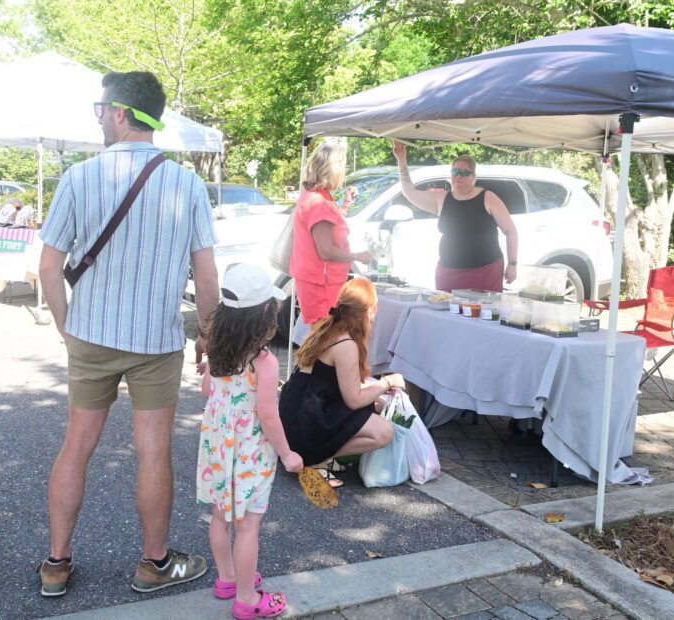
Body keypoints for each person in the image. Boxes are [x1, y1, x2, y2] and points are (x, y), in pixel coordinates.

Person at [37, 70, 219, 598]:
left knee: (76, 447)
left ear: (121, 113)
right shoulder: (186, 183)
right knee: (153, 452)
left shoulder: (78, 177)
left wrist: (65, 326)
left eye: (101, 109)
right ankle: (154, 564)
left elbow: (50, 267)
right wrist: (207, 335)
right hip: (156, 341)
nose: (98, 119)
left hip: (90, 335)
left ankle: (56, 563)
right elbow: (206, 276)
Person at [197, 263, 303, 619]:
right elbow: (269, 415)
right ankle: (247, 599)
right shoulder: (263, 361)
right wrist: (288, 454)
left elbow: (208, 390)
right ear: (264, 313)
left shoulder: (217, 348)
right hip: (249, 451)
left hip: (217, 445)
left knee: (219, 516)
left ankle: (227, 578)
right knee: (248, 525)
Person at [278, 278, 403, 487]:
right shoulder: (346, 344)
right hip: (306, 422)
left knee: (377, 404)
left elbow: (334, 384)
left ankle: (316, 455)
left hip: (296, 413)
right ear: (369, 311)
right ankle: (316, 459)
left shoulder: (327, 324)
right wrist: (387, 382)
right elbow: (353, 400)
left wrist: (376, 393)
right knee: (384, 432)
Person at [392, 140, 518, 292]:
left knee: (481, 314)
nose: (458, 176)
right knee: (446, 313)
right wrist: (401, 160)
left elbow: (511, 230)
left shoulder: (488, 197)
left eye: (464, 173)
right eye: (454, 172)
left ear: (473, 177)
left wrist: (512, 264)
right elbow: (409, 192)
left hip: (485, 272)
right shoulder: (442, 198)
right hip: (448, 273)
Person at [289, 142, 373, 344]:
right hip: (321, 283)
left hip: (316, 280)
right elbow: (326, 250)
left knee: (321, 339)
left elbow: (327, 231)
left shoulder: (315, 197)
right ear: (332, 169)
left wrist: (344, 205)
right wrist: (357, 256)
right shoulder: (319, 202)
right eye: (342, 167)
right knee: (325, 341)